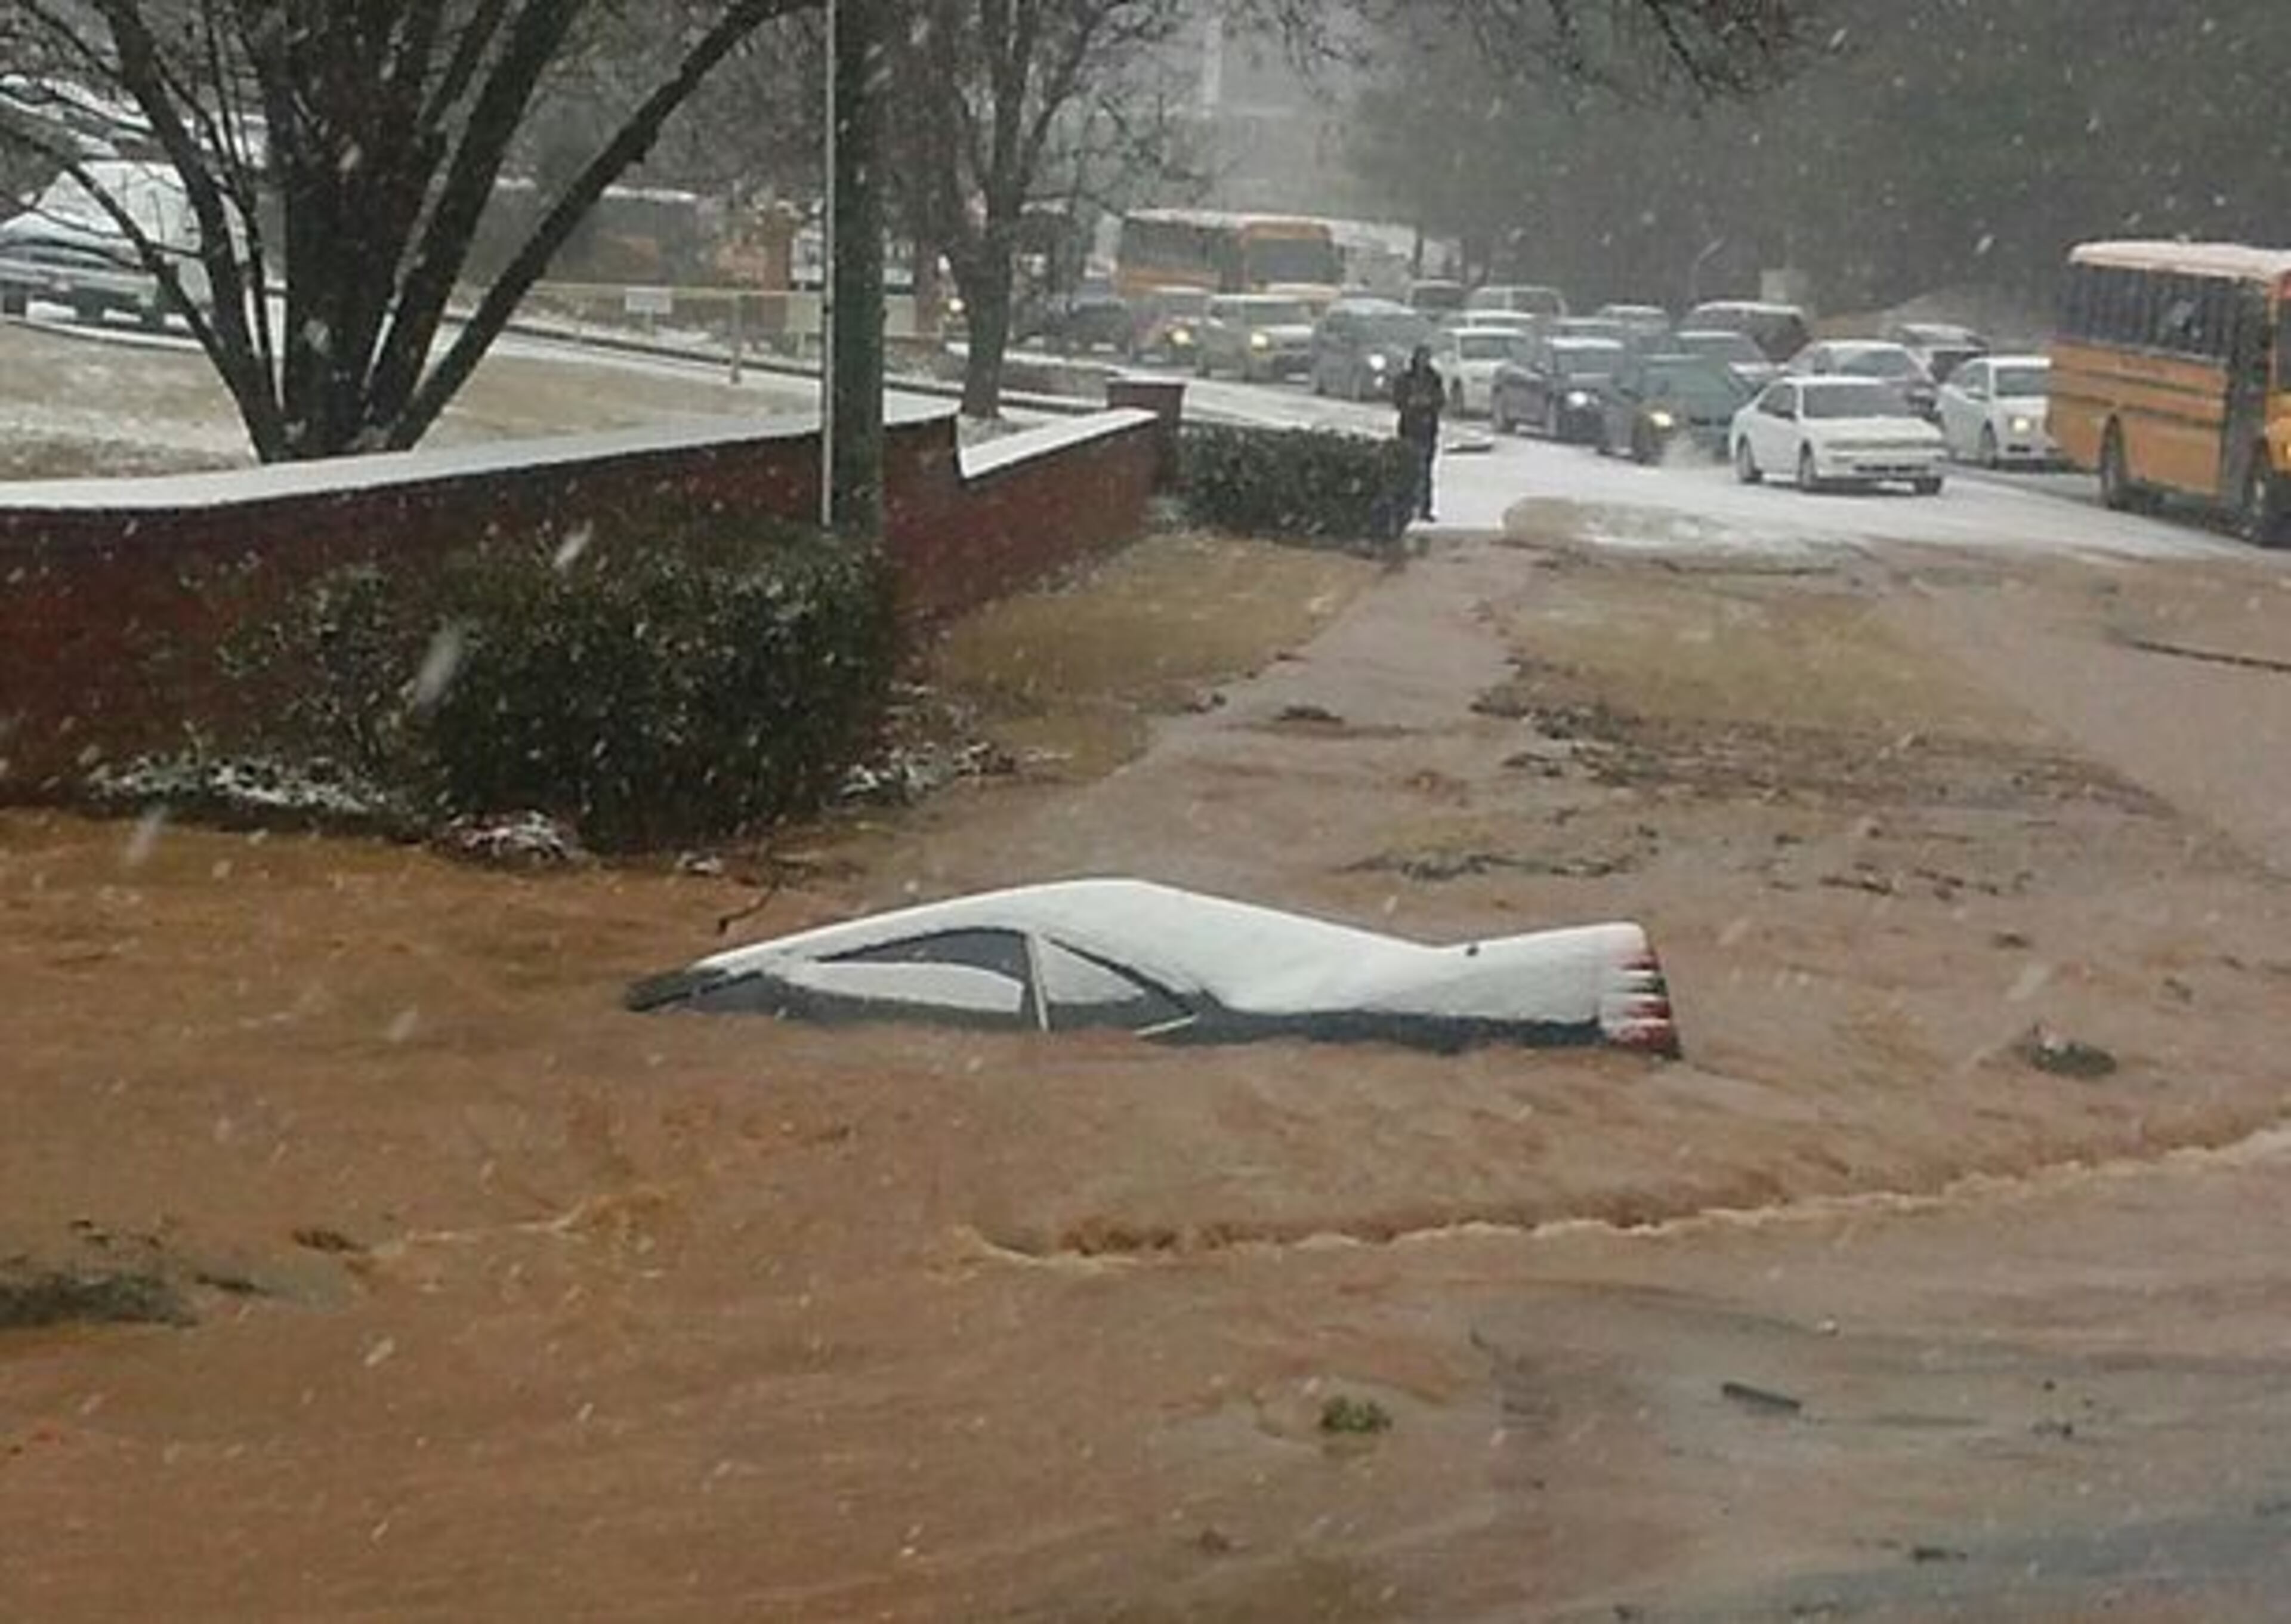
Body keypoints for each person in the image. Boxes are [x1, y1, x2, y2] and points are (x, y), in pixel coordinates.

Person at [1392, 344, 1445, 521]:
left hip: (1428, 430)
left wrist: (1429, 403)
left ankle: (1425, 508)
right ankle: (1407, 507)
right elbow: (1398, 400)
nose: (1424, 361)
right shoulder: (1405, 379)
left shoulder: (1434, 378)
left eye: (1427, 357)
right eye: (1421, 357)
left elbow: (1440, 400)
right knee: (1408, 470)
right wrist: (1411, 403)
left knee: (1426, 471)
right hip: (1410, 428)